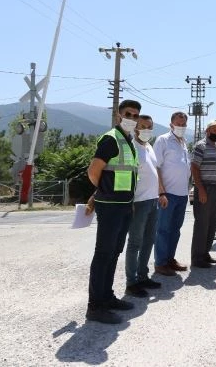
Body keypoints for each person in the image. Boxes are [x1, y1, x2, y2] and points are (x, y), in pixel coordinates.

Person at [84, 99, 141, 325]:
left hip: (125, 205)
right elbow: (93, 171)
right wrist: (102, 192)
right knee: (103, 254)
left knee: (114, 252)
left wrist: (129, 201)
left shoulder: (130, 141)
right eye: (128, 114)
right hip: (110, 206)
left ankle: (107, 297)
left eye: (136, 115)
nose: (132, 119)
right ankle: (95, 306)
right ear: (119, 115)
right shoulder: (111, 139)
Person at [123, 115, 162, 298]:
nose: (146, 130)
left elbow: (155, 172)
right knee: (135, 243)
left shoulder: (149, 147)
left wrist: (160, 194)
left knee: (149, 241)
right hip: (138, 202)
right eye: (143, 126)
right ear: (135, 128)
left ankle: (143, 276)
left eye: (149, 127)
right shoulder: (131, 147)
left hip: (153, 200)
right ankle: (131, 283)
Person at [152, 111, 192, 276]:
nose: (181, 127)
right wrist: (161, 192)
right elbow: (156, 167)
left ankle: (170, 259)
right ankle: (160, 263)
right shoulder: (162, 140)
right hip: (167, 194)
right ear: (171, 125)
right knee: (163, 229)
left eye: (183, 124)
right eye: (178, 124)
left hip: (182, 194)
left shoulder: (184, 142)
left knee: (175, 229)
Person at [190, 119, 216, 268]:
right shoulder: (201, 145)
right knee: (202, 224)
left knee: (212, 223)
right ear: (207, 131)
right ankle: (197, 258)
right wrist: (201, 189)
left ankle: (205, 253)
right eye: (214, 130)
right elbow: (194, 167)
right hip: (205, 188)